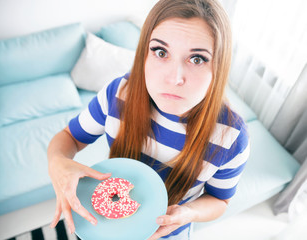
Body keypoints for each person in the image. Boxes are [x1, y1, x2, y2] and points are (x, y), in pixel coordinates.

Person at [47, 0, 250, 239]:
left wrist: (188, 212)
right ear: (144, 53)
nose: (174, 78)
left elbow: (220, 199)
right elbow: (70, 136)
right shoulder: (119, 93)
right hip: (107, 225)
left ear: (219, 66)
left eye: (197, 59)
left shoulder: (231, 137)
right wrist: (57, 162)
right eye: (161, 52)